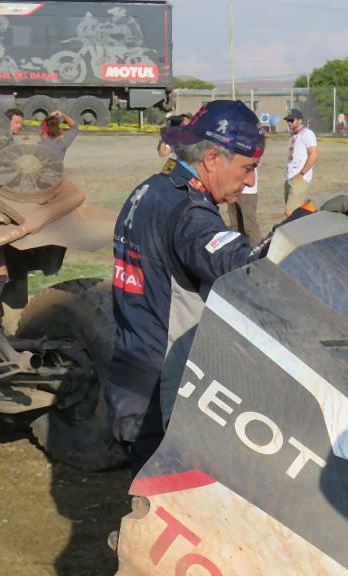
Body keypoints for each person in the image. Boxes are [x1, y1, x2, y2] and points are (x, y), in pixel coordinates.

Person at [107, 100, 266, 469]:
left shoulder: (149, 189)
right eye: (248, 168)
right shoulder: (190, 211)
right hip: (164, 387)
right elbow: (238, 265)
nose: (251, 180)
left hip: (131, 367)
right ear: (212, 157)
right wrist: (291, 236)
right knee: (166, 498)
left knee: (145, 489)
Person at [283, 108, 318, 215]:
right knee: (297, 212)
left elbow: (314, 155)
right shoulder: (294, 136)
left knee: (290, 213)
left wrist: (301, 174)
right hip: (290, 177)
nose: (289, 123)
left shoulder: (307, 134)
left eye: (291, 120)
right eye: (287, 120)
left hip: (299, 179)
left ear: (299, 121)